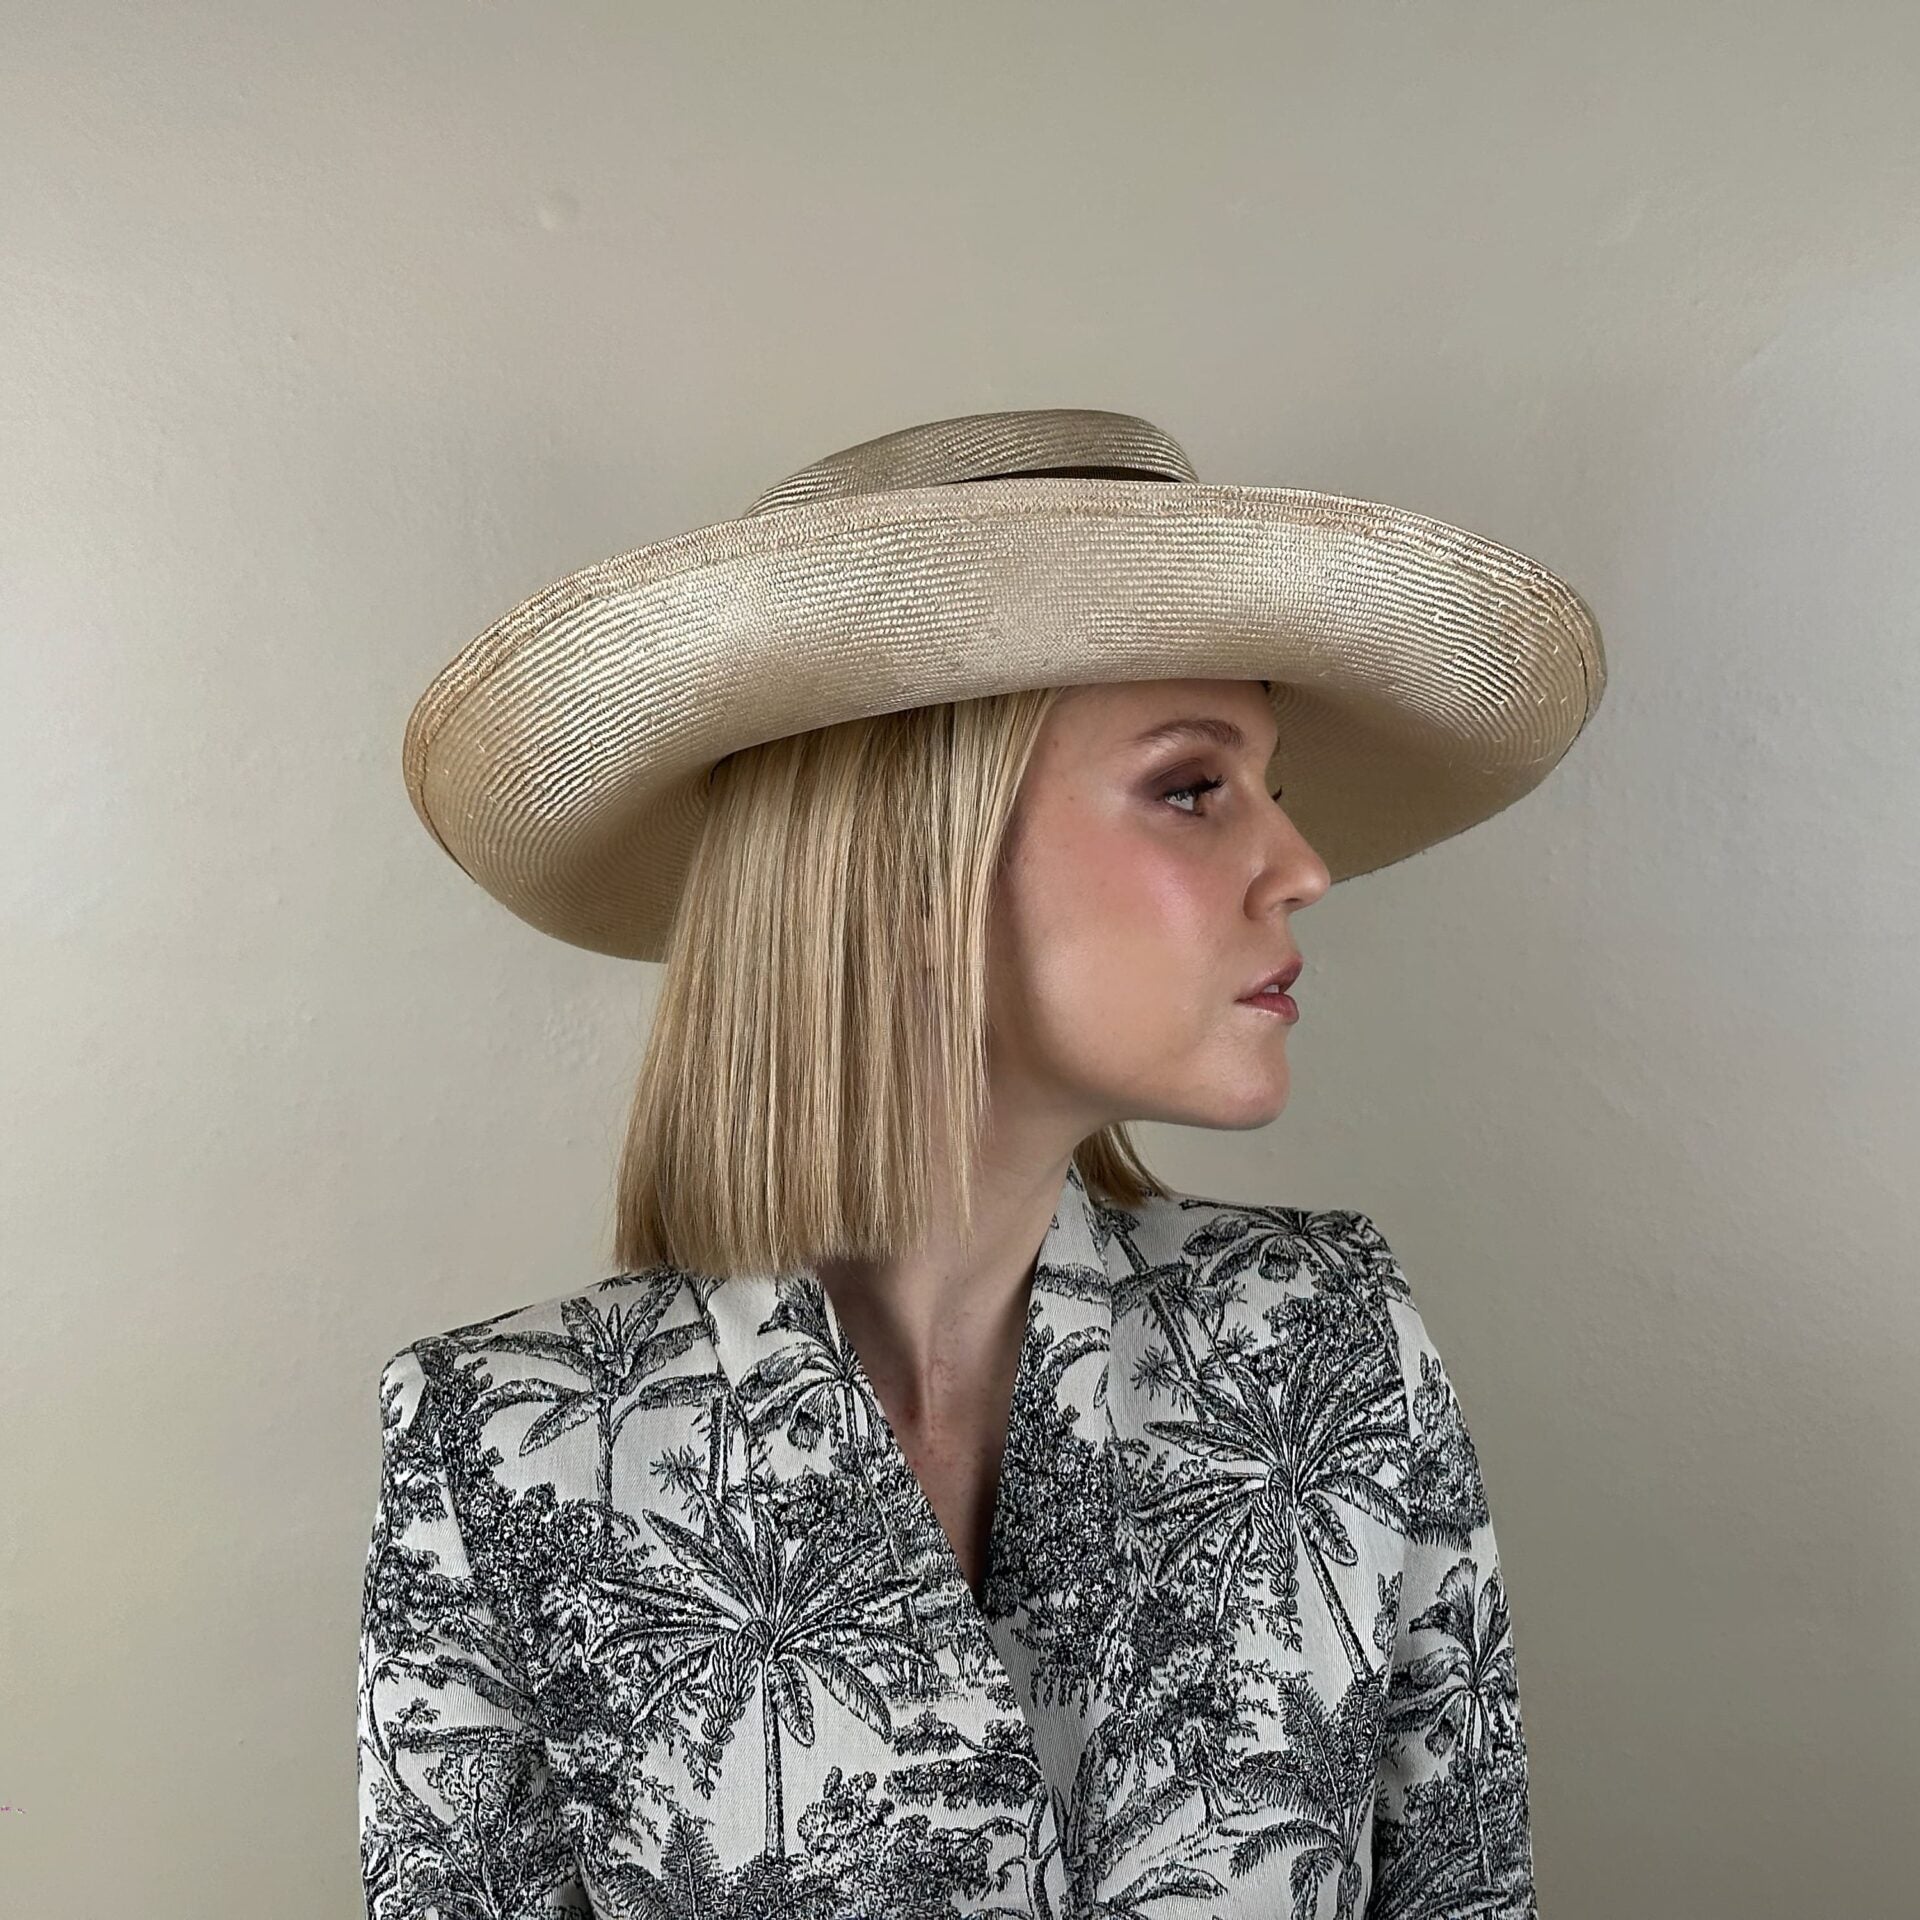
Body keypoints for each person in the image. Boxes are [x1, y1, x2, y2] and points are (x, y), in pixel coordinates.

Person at [357, 407, 1604, 1918]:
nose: (1302, 867)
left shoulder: (1327, 1349)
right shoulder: (508, 1455)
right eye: (1193, 787)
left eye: (1276, 792)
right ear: (912, 859)